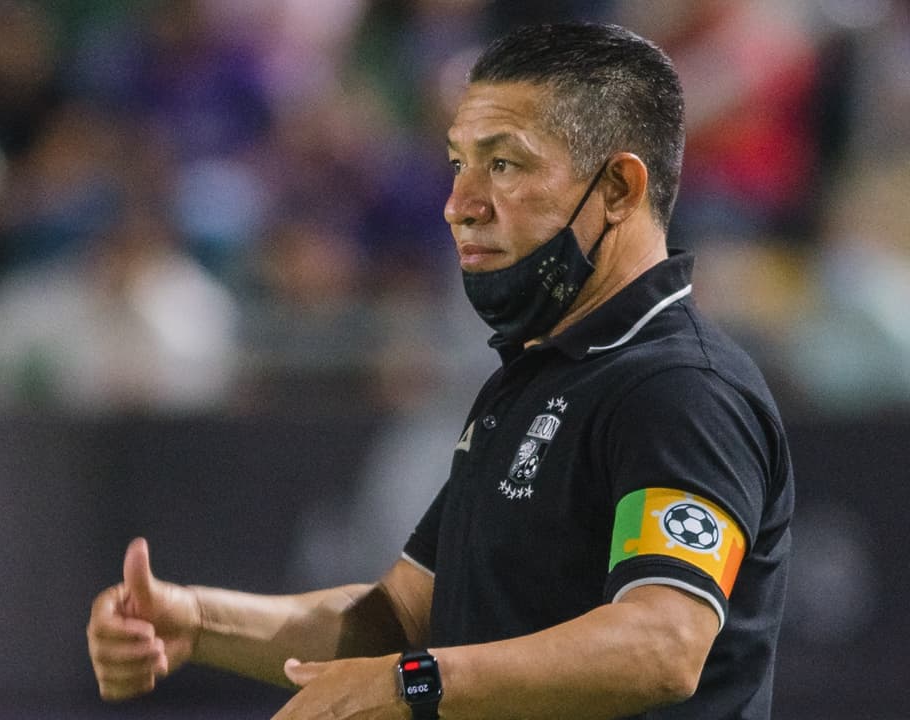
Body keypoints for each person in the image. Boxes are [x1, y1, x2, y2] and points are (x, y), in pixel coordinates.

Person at [86, 22, 793, 720]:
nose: (460, 206)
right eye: (459, 165)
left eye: (504, 165)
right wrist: (199, 622)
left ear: (617, 188)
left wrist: (412, 684)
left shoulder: (681, 388)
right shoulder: (532, 379)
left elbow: (662, 643)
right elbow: (399, 616)